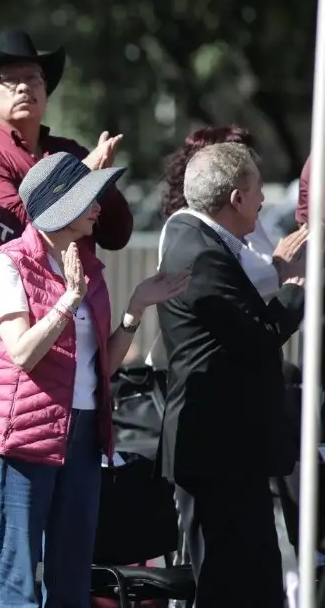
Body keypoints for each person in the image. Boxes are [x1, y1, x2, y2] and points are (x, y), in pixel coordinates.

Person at [0, 152, 187, 607]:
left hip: (83, 433)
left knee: (71, 577)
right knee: (16, 582)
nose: (98, 207)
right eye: (88, 199)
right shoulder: (8, 264)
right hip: (21, 438)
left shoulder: (85, 266)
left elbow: (101, 367)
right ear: (58, 206)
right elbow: (22, 352)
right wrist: (68, 300)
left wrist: (134, 309)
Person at [154, 125, 307, 582]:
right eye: (258, 190)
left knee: (257, 577)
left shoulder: (200, 239)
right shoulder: (199, 251)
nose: (264, 201)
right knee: (229, 580)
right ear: (237, 199)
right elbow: (256, 336)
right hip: (217, 448)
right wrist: (295, 287)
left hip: (232, 448)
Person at [0, 29, 134, 369]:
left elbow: (116, 234)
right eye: (8, 79)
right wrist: (83, 175)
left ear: (46, 90)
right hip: (6, 324)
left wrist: (98, 181)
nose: (23, 87)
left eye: (33, 77)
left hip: (77, 311)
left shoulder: (68, 151)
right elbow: (17, 231)